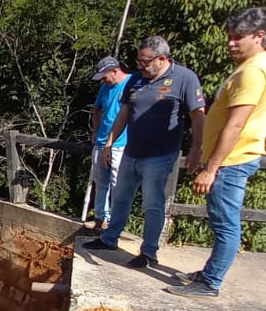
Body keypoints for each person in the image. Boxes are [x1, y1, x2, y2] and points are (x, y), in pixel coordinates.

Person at [167, 8, 266, 298]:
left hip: (232, 161)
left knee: (225, 223)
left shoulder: (253, 72)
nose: (231, 43)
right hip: (231, 160)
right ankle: (209, 273)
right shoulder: (253, 66)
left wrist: (211, 168)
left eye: (238, 38)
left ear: (260, 36)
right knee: (222, 220)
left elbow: (236, 123)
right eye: (229, 37)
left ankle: (210, 282)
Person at [82, 36, 206, 269]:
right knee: (119, 197)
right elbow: (124, 114)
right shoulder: (136, 80)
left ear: (162, 59)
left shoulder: (184, 78)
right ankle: (109, 239)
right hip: (131, 151)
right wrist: (109, 143)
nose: (140, 66)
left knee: (152, 203)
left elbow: (198, 114)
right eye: (138, 61)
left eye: (145, 62)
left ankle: (148, 252)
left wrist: (196, 148)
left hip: (160, 155)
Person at [89, 56, 131, 228]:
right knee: (100, 181)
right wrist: (95, 131)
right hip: (101, 140)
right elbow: (96, 109)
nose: (103, 80)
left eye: (105, 76)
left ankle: (116, 222)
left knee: (118, 184)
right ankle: (100, 218)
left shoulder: (131, 83)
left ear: (115, 71)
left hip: (121, 143)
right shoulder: (105, 88)